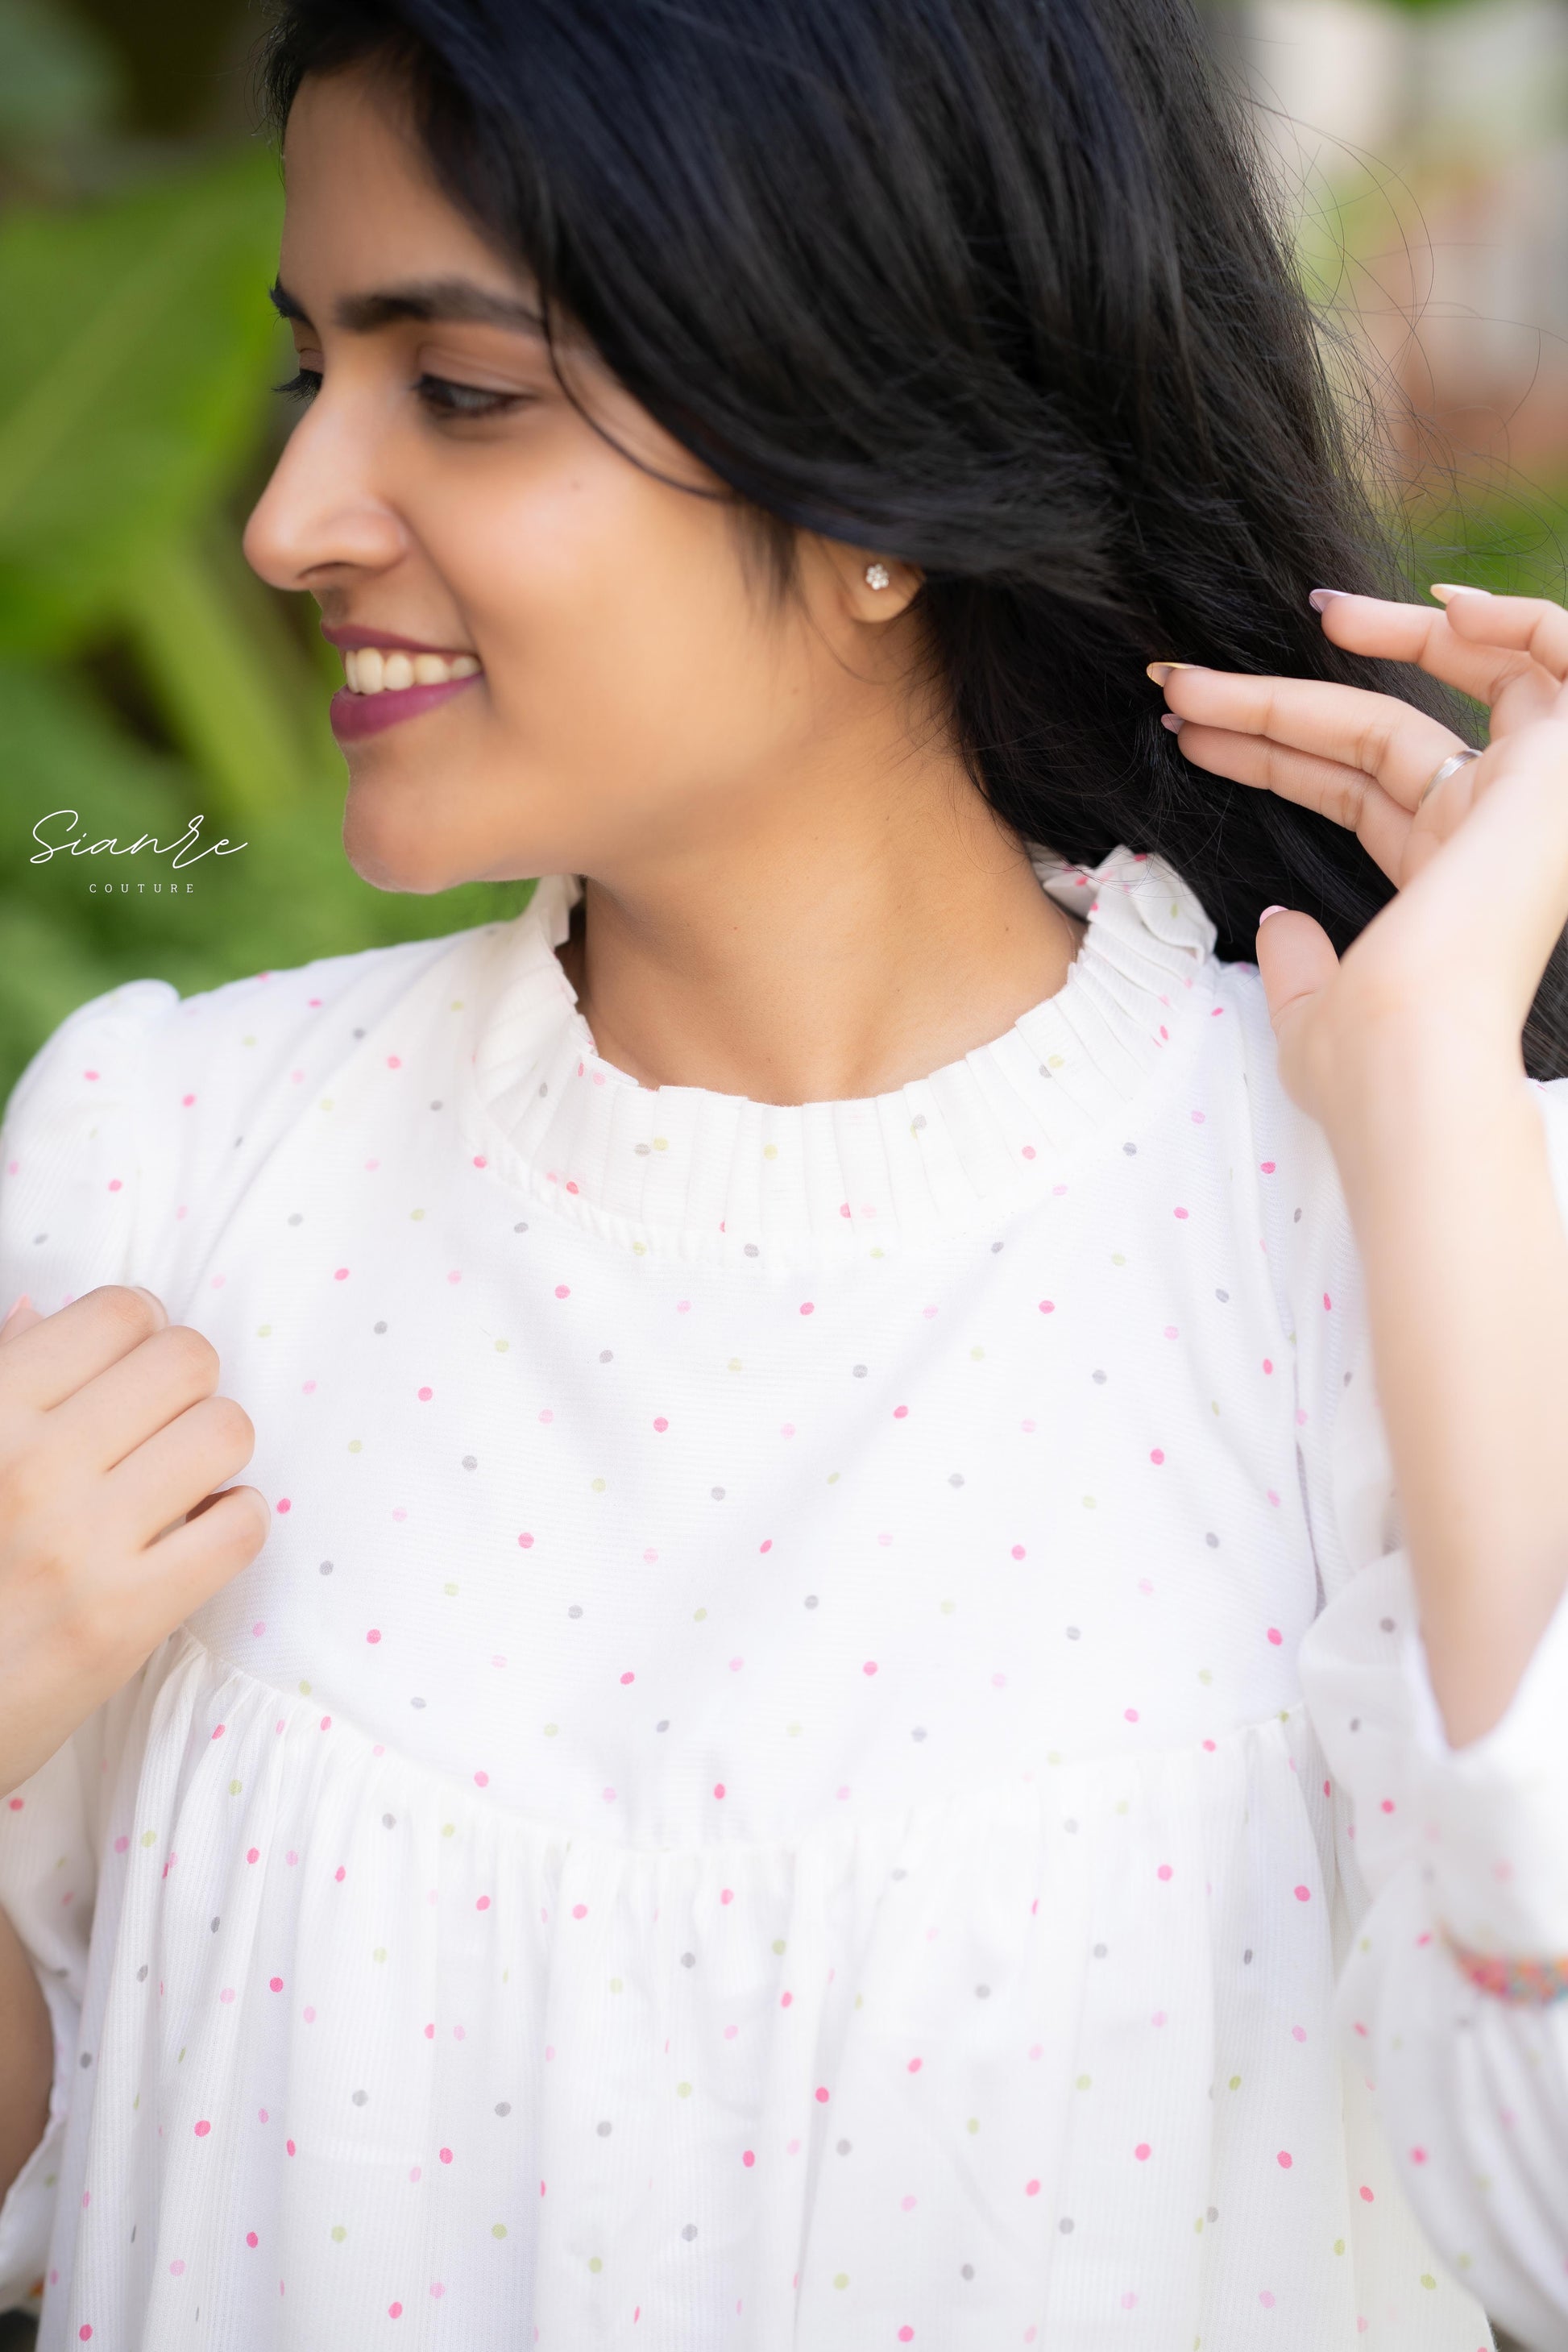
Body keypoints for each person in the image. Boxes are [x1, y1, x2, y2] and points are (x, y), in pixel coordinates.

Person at [1, 1, 1566, 2344]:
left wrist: (1451, 1122)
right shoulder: (178, 1165)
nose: (289, 516)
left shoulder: (1390, 1228)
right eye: (306, 368)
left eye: (460, 389)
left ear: (862, 483)